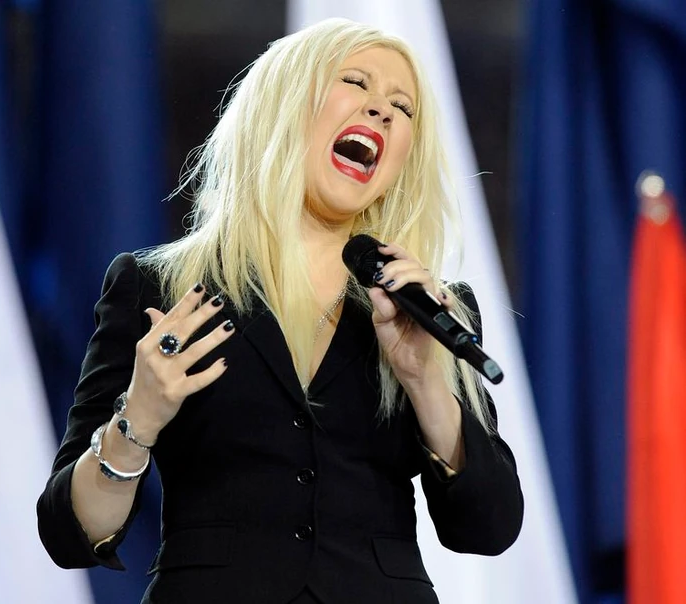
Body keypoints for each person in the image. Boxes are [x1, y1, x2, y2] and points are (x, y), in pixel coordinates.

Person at [37, 18, 524, 604]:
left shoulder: (425, 310)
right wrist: (136, 419)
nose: (383, 110)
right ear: (284, 105)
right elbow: (70, 533)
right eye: (355, 82)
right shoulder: (160, 289)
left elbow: (489, 528)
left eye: (403, 107)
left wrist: (424, 381)